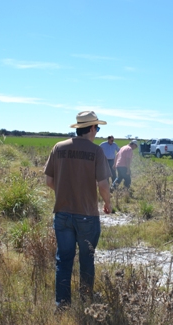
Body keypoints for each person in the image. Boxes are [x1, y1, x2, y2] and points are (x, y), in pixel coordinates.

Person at [44, 111, 112, 308]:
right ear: (91, 129)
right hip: (87, 217)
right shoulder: (96, 151)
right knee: (86, 260)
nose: (97, 132)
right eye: (97, 128)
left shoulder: (58, 148)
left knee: (63, 261)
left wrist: (66, 191)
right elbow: (103, 185)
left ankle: (62, 305)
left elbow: (49, 180)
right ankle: (86, 301)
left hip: (62, 214)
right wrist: (107, 203)